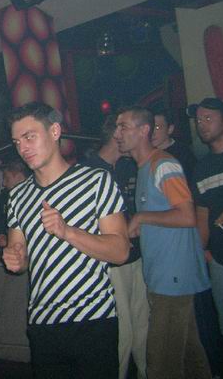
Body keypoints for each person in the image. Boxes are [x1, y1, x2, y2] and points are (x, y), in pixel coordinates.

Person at [3, 102, 129, 379]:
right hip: (42, 324)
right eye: (17, 142)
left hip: (93, 319)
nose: (23, 147)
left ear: (55, 131)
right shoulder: (17, 196)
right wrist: (16, 259)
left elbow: (121, 251)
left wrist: (68, 231)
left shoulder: (96, 181)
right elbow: (20, 256)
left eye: (29, 137)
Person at [115, 105, 211, 379]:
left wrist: (142, 217)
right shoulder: (145, 168)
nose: (117, 133)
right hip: (163, 275)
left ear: (144, 130)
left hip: (174, 276)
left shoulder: (164, 164)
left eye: (123, 127)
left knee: (161, 363)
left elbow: (187, 216)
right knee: (189, 353)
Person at [82, 115, 147, 379]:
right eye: (125, 130)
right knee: (123, 330)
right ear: (115, 135)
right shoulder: (88, 172)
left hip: (137, 256)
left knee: (142, 325)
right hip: (111, 264)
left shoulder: (129, 166)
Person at [188, 97, 223, 344]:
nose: (201, 124)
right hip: (221, 261)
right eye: (199, 120)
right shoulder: (201, 169)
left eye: (208, 118)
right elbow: (201, 218)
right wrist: (203, 252)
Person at [151, 108, 197, 182]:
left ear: (170, 129)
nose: (152, 133)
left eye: (157, 127)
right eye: (150, 128)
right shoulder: (147, 153)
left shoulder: (183, 154)